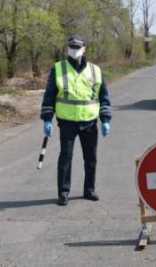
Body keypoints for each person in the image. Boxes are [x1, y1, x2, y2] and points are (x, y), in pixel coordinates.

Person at [40, 35, 112, 206]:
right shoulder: (58, 68)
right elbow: (49, 95)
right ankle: (63, 192)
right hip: (67, 122)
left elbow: (104, 97)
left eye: (77, 47)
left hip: (89, 121)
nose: (74, 50)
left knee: (91, 158)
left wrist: (106, 119)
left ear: (84, 49)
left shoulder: (95, 70)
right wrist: (47, 119)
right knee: (65, 158)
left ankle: (89, 190)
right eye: (71, 47)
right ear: (67, 49)